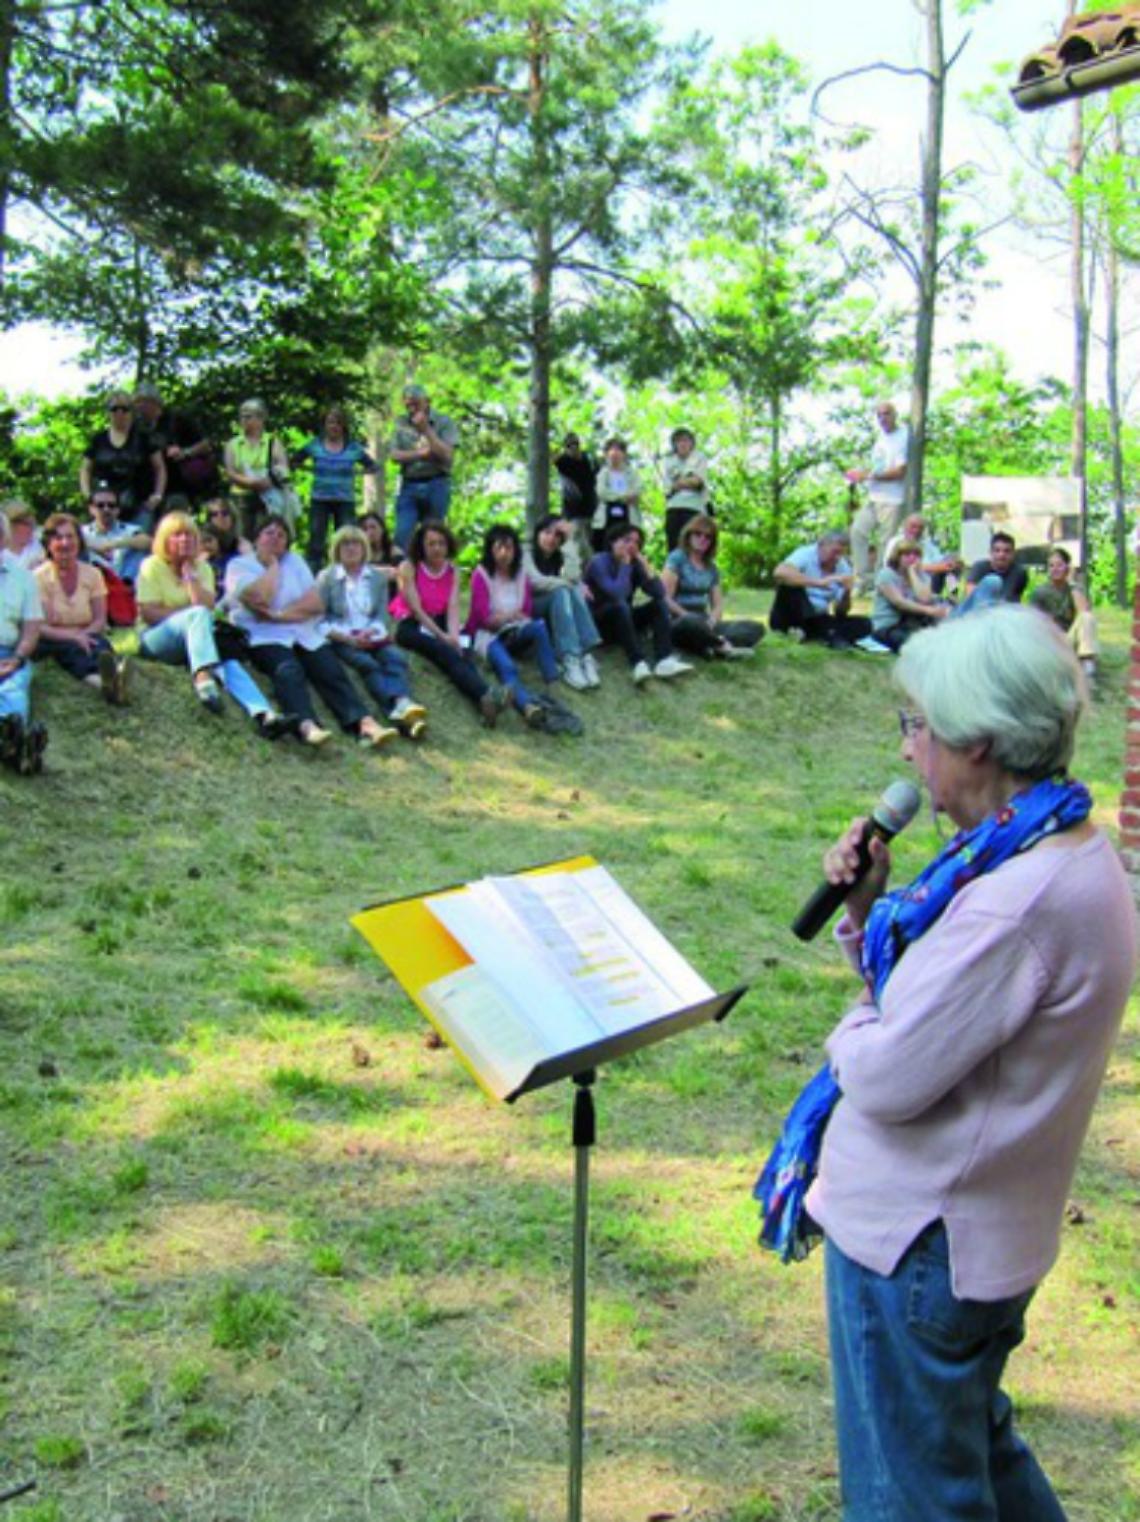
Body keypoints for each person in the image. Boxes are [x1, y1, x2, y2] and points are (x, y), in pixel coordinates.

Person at [799, 604, 1135, 1522]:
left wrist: (856, 1020)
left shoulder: (1014, 901)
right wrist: (870, 913)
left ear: (979, 740)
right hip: (978, 1235)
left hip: (920, 1245)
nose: (909, 753)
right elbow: (938, 1011)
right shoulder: (1058, 853)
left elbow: (885, 1072)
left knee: (913, 1499)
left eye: (919, 727)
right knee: (975, 1457)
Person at [226, 515, 395, 749]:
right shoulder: (240, 565)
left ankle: (363, 722)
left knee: (330, 670)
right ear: (257, 538)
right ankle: (306, 725)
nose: (275, 537)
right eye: (269, 532)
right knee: (288, 670)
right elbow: (257, 597)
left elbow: (316, 602)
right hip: (263, 635)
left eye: (281, 535)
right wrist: (273, 565)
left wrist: (279, 615)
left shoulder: (295, 562)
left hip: (302, 630)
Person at [136, 510, 296, 739]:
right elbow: (150, 613)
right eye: (177, 535)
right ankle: (203, 677)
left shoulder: (203, 568)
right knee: (198, 616)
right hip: (156, 639)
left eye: (190, 535)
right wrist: (188, 618)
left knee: (229, 662)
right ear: (164, 540)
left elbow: (207, 609)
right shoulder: (151, 566)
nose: (185, 540)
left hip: (195, 641)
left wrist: (191, 577)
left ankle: (264, 715)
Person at [316, 525, 428, 741]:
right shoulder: (326, 578)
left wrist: (372, 631)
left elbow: (382, 615)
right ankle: (400, 713)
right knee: (367, 664)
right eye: (345, 544)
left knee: (395, 657)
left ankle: (401, 703)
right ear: (336, 549)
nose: (351, 548)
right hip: (342, 638)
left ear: (364, 548)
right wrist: (349, 639)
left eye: (356, 543)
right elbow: (318, 619)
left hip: (373, 636)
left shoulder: (376, 578)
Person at [390, 520, 499, 726]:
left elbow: (453, 606)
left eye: (441, 543)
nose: (437, 548)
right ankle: (486, 694)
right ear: (422, 546)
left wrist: (454, 637)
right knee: (443, 650)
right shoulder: (408, 567)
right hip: (412, 623)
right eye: (431, 543)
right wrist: (444, 637)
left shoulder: (453, 571)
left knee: (461, 653)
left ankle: (484, 701)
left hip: (439, 619)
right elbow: (417, 610)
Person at [466, 523, 566, 727]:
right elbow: (483, 618)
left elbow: (527, 611)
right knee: (507, 667)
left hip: (515, 631)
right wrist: (509, 615)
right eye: (498, 548)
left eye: (509, 548)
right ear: (490, 551)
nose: (504, 553)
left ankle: (553, 683)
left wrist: (506, 617)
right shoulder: (481, 575)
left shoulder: (521, 575)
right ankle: (527, 707)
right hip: (488, 636)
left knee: (538, 626)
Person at [33, 512, 129, 704]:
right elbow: (40, 627)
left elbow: (100, 619)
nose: (65, 543)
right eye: (58, 538)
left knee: (100, 646)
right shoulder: (37, 578)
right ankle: (104, 684)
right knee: (71, 649)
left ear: (79, 542)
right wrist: (75, 637)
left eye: (70, 537)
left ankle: (114, 678)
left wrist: (85, 634)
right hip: (52, 637)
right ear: (48, 544)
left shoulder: (93, 574)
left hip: (87, 631)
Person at [584, 522, 692, 685]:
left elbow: (659, 593)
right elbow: (616, 593)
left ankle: (664, 659)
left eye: (636, 543)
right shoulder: (599, 561)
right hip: (599, 624)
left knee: (657, 605)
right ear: (613, 541)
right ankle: (637, 662)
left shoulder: (634, 564)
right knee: (620, 605)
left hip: (624, 621)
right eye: (627, 540)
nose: (632, 546)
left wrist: (646, 568)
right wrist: (625, 566)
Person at [661, 515, 763, 659]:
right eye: (698, 534)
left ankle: (711, 645)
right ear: (688, 535)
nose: (703, 539)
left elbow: (718, 604)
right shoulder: (677, 558)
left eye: (708, 537)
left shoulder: (711, 567)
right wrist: (686, 615)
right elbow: (664, 598)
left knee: (755, 627)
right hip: (679, 619)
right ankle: (722, 646)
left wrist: (712, 621)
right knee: (689, 624)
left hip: (703, 620)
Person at [770, 530, 888, 653]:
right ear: (821, 546)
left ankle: (820, 634)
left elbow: (840, 612)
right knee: (789, 586)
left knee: (864, 623)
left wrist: (847, 592)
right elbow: (780, 572)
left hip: (818, 617)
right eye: (835, 552)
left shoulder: (843, 568)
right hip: (792, 612)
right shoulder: (805, 554)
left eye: (841, 553)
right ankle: (824, 634)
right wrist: (819, 582)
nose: (837, 558)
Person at [294, 405, 379, 571]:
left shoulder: (353, 448)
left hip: (344, 500)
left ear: (343, 426)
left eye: (338, 423)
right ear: (325, 425)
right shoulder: (315, 445)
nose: (333, 427)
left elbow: (374, 466)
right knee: (316, 540)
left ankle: (346, 571)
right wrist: (310, 470)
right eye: (330, 422)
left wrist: (357, 472)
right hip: (320, 499)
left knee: (346, 538)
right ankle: (314, 574)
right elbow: (294, 460)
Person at [523, 515, 601, 691]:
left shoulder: (559, 555)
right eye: (547, 532)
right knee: (563, 590)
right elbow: (535, 582)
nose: (551, 538)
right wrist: (571, 585)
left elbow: (574, 576)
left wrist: (569, 542)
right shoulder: (525, 552)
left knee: (567, 589)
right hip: (527, 608)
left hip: (553, 608)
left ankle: (585, 655)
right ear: (537, 533)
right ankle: (569, 657)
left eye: (557, 535)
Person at [0, 507, 48, 774]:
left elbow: (32, 628)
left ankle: (12, 736)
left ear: (4, 539)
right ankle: (16, 746)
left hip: (8, 652)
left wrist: (17, 658)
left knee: (14, 687)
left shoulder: (24, 579)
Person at [847, 400, 909, 595]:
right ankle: (862, 581)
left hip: (893, 499)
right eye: (879, 415)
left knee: (886, 543)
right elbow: (879, 467)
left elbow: (900, 471)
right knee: (857, 531)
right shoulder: (881, 438)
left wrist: (869, 476)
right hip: (874, 497)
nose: (883, 418)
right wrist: (859, 475)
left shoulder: (903, 436)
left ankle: (881, 585)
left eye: (887, 414)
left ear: (895, 415)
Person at [79, 389, 166, 523]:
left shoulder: (145, 439)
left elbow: (160, 468)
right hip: (104, 506)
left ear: (132, 412)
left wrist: (157, 495)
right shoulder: (98, 440)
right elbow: (85, 469)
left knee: (138, 541)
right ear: (108, 412)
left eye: (125, 409)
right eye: (114, 409)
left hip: (140, 506)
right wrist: (87, 495)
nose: (119, 413)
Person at [389, 384, 458, 551]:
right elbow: (395, 455)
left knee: (433, 537)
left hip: (437, 483)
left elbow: (448, 456)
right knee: (402, 534)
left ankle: (430, 574)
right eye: (408, 405)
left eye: (416, 404)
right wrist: (422, 453)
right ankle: (401, 572)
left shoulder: (444, 422)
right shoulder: (401, 423)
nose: (411, 409)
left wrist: (426, 429)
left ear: (427, 402)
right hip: (409, 484)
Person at [134, 383, 216, 505]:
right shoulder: (138, 425)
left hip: (178, 486)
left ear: (154, 402)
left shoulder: (177, 419)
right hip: (150, 487)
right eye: (136, 403)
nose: (139, 407)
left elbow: (206, 445)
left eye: (142, 402)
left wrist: (185, 452)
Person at [222, 398, 291, 543]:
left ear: (260, 418)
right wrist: (250, 483)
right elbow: (230, 472)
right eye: (241, 416)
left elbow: (283, 467)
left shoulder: (273, 442)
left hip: (268, 497)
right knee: (242, 538)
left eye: (247, 416)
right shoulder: (233, 444)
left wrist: (268, 481)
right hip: (241, 498)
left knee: (267, 536)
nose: (243, 420)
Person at [1030, 546, 1098, 681]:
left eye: (1059, 565)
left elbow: (1084, 612)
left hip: (1071, 638)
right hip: (1051, 641)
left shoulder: (1075, 589)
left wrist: (1072, 583)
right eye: (1051, 566)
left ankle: (1087, 663)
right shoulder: (1040, 592)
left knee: (1087, 617)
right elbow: (1033, 622)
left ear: (1067, 567)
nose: (1055, 569)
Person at [870, 538, 948, 651]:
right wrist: (928, 610)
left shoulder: (921, 576)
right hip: (889, 626)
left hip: (914, 624)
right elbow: (899, 603)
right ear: (898, 557)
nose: (912, 558)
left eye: (916, 555)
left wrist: (912, 574)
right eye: (907, 555)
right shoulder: (886, 575)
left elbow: (925, 599)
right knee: (917, 645)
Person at [81, 484, 152, 585]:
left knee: (139, 552)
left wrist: (113, 544)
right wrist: (95, 547)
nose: (106, 509)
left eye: (111, 505)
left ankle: (126, 587)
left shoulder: (130, 530)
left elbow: (148, 542)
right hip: (92, 586)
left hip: (123, 583)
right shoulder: (82, 531)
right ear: (91, 509)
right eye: (100, 505)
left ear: (117, 510)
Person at [884, 511, 962, 595]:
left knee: (951, 563)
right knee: (946, 566)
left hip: (930, 580)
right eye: (913, 526)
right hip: (907, 581)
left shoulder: (927, 544)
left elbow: (940, 559)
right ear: (905, 526)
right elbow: (898, 567)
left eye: (920, 528)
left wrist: (952, 561)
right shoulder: (896, 542)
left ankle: (953, 596)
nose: (916, 530)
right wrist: (936, 567)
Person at [661, 427, 711, 551]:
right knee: (674, 547)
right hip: (674, 508)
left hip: (694, 508)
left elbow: (698, 481)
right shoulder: (669, 461)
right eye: (679, 441)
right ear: (674, 445)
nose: (683, 444)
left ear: (692, 444)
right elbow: (669, 488)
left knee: (693, 548)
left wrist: (681, 482)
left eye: (686, 440)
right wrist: (688, 481)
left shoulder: (699, 458)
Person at [591, 438, 643, 551]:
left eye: (618, 450)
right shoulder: (603, 473)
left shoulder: (632, 473)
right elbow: (602, 492)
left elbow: (637, 491)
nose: (615, 453)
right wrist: (623, 497)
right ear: (606, 454)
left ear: (624, 454)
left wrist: (618, 497)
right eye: (611, 450)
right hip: (605, 520)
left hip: (628, 518)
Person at [553, 433, 598, 563]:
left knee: (590, 544)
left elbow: (597, 477)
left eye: (575, 444)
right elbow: (551, 459)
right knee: (580, 548)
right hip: (573, 514)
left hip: (591, 512)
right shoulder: (563, 462)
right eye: (569, 445)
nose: (573, 447)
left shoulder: (588, 460)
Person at [199, 499, 251, 590]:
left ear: (233, 517)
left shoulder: (242, 544)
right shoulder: (202, 542)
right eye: (214, 514)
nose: (219, 517)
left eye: (224, 513)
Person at [965, 530, 1027, 603]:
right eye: (997, 551)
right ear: (990, 552)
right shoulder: (979, 568)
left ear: (1013, 554)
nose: (1001, 555)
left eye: (1007, 551)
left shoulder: (1019, 573)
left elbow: (1016, 599)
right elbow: (971, 596)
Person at [2, 502, 45, 572]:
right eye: (28, 524)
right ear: (12, 526)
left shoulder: (36, 544)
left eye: (33, 523)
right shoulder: (3, 553)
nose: (32, 528)